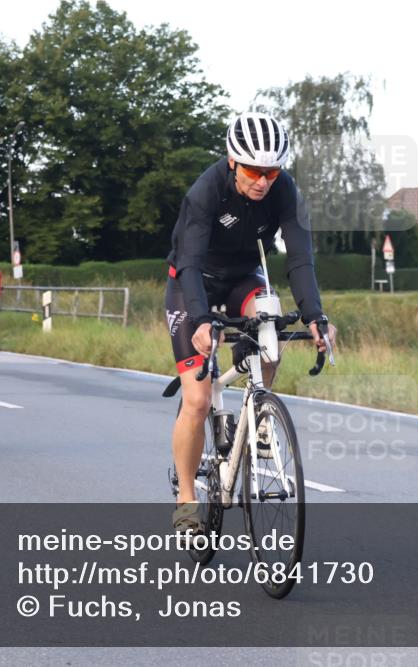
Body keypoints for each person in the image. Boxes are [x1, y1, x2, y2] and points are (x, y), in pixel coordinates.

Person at [164, 112, 337, 533]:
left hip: (243, 278)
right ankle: (187, 500)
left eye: (272, 171)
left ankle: (259, 409)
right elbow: (188, 261)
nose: (263, 181)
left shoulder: (285, 191)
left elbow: (299, 258)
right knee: (199, 401)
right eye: (254, 171)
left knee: (272, 318)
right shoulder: (206, 191)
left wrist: (316, 315)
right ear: (232, 162)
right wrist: (204, 321)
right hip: (194, 283)